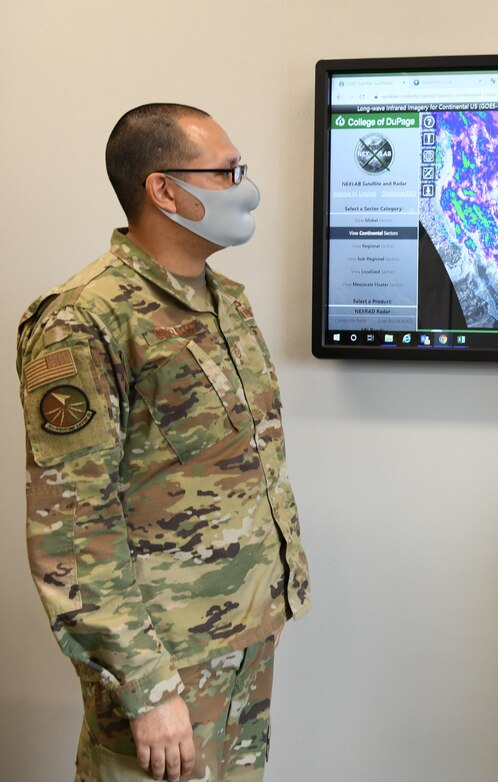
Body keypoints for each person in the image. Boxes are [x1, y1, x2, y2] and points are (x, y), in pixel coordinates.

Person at [16, 103, 310, 782]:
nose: (245, 187)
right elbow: (72, 524)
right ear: (164, 189)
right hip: (163, 658)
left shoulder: (223, 300)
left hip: (242, 635)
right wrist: (146, 688)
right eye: (227, 171)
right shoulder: (83, 320)